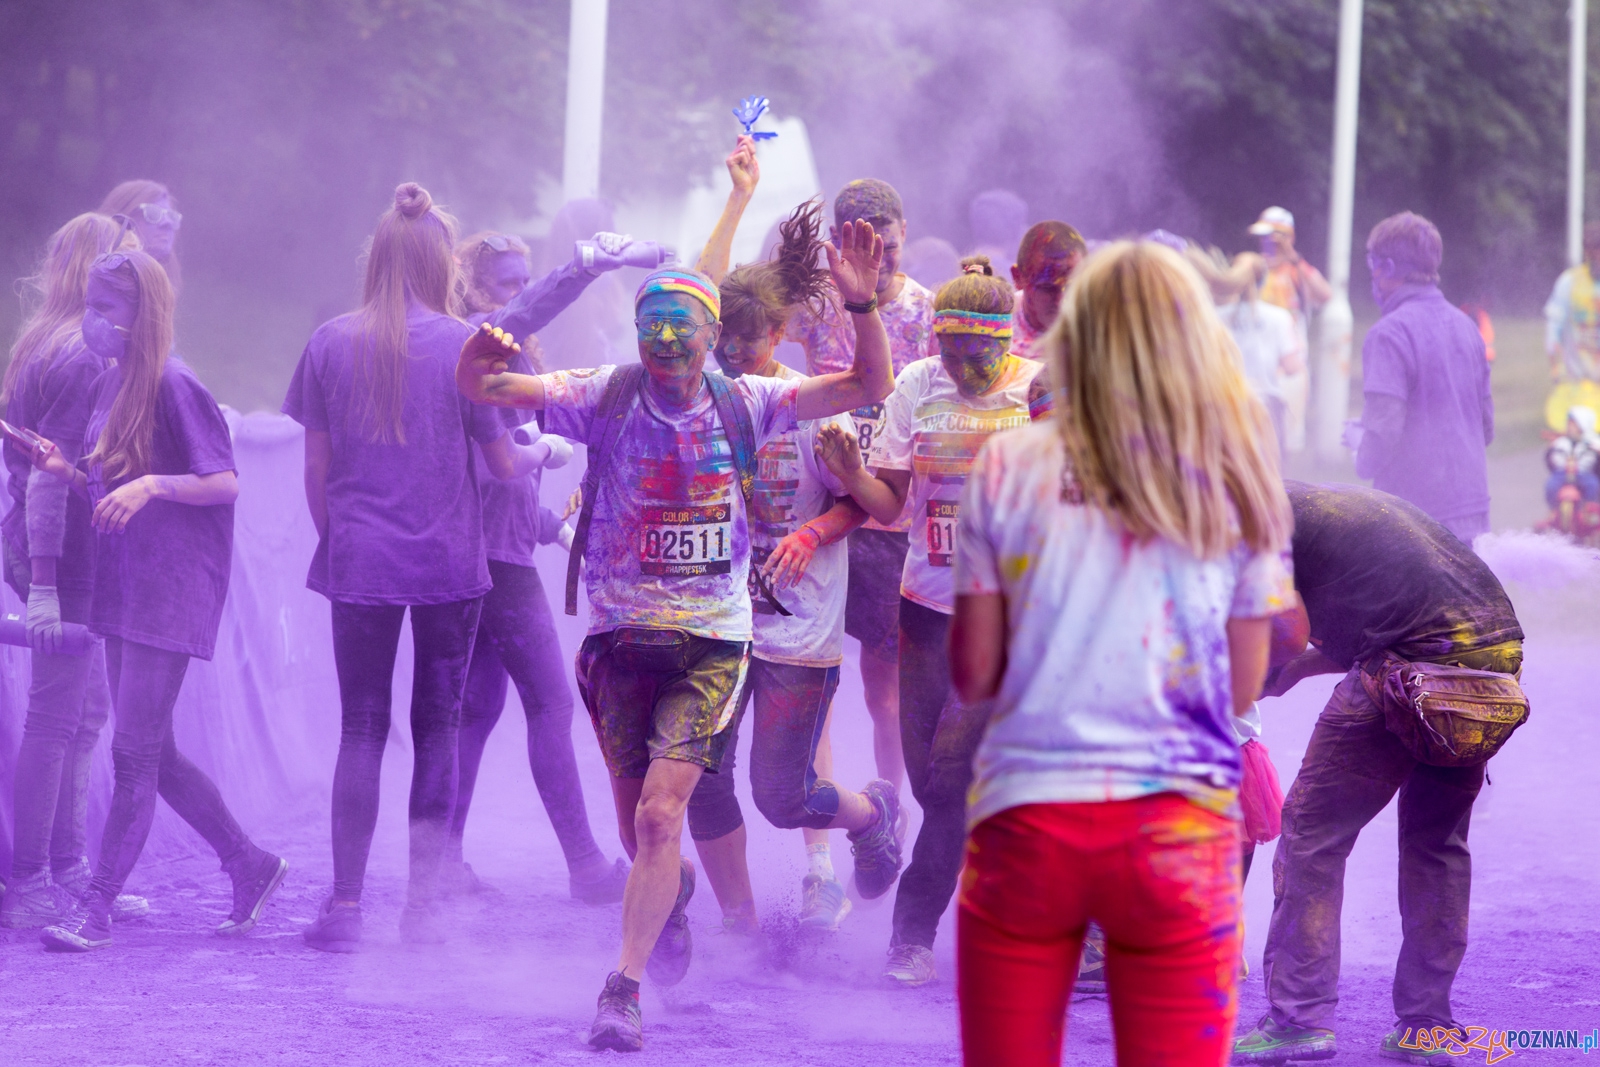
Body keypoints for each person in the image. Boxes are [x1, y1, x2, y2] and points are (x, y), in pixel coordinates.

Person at [454, 220, 895, 1052]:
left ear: (706, 343)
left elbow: (870, 381)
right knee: (641, 839)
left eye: (680, 334)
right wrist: (526, 317)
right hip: (619, 644)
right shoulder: (603, 393)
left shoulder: (749, 400)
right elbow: (484, 383)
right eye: (652, 332)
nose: (665, 348)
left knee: (661, 818)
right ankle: (675, 891)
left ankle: (620, 988)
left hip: (710, 647)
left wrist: (863, 299)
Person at [949, 239, 1294, 1067]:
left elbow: (973, 674)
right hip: (1180, 826)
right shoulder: (1236, 473)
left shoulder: (1006, 463)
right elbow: (1247, 682)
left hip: (1030, 817)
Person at [284, 183, 553, 952]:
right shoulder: (469, 345)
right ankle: (424, 909)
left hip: (359, 557)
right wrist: (542, 450)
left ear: (376, 259)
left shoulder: (330, 342)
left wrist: (340, 542)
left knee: (362, 726)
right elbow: (502, 466)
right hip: (447, 562)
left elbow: (315, 467)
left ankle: (342, 907)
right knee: (435, 727)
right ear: (443, 262)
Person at [22, 249, 286, 951]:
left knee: (134, 754)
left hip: (172, 590)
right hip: (127, 584)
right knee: (156, 752)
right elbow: (111, 491)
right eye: (91, 305)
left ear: (144, 314)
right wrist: (66, 471)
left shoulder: (175, 381)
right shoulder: (114, 381)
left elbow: (224, 481)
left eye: (109, 308)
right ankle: (249, 862)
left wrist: (153, 486)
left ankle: (97, 906)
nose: (94, 321)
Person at [681, 156, 901, 937]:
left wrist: (812, 528)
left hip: (799, 628)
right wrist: (737, 198)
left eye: (749, 341)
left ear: (780, 333)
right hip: (715, 616)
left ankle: (873, 816)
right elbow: (700, 290)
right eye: (724, 345)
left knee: (782, 793)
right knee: (702, 777)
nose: (735, 355)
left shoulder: (805, 403)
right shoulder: (709, 392)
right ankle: (739, 923)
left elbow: (857, 502)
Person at [1233, 481, 1524, 1065]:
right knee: (1436, 842)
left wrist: (1258, 667)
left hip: (1409, 670)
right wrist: (1293, 673)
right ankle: (1427, 1024)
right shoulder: (1323, 506)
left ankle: (1298, 1018)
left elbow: (1285, 632)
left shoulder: (1249, 519)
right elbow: (1396, 619)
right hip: (1494, 666)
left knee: (1313, 835)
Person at [817, 256, 1044, 987]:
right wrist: (853, 473)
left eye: (976, 351)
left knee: (950, 777)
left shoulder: (1037, 391)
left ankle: (912, 932)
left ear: (1003, 338)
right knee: (929, 781)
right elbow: (890, 509)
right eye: (949, 348)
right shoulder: (919, 385)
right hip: (924, 608)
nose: (961, 363)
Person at [446, 223, 667, 904]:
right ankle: (584, 864)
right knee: (548, 699)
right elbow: (489, 474)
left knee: (478, 708)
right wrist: (583, 268)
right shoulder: (479, 343)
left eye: (521, 280)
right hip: (494, 561)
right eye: (505, 283)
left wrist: (550, 524)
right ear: (474, 287)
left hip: (494, 548)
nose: (515, 296)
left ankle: (440, 861)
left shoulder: (491, 355)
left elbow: (495, 487)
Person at [1, 213, 150, 929]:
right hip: (59, 552)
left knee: (81, 712)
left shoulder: (41, 338)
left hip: (50, 549)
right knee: (60, 714)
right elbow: (49, 479)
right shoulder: (81, 355)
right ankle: (31, 877)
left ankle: (68, 868)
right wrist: (49, 584)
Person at [787, 178, 940, 803]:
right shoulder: (819, 307)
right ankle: (818, 820)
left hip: (892, 530)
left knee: (884, 695)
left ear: (904, 238)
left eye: (892, 250)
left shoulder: (929, 312)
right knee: (808, 682)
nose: (878, 265)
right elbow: (741, 319)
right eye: (863, 253)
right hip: (820, 521)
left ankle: (887, 809)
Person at [1348, 212, 1493, 544]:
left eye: (1373, 265)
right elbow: (1485, 428)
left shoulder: (1388, 334)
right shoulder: (1468, 328)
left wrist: (1360, 448)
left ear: (1386, 268)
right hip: (1472, 514)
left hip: (1412, 520)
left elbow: (1383, 434)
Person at [1248, 207, 1330, 453]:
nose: (1268, 243)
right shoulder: (1254, 269)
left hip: (1290, 367)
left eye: (1274, 236)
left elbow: (1325, 294)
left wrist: (1292, 256)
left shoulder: (1297, 270)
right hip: (1258, 366)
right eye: (1264, 237)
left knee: (1285, 440)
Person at [1007, 221, 1086, 361]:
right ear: (1018, 277)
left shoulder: (1097, 326)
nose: (1061, 300)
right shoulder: (996, 328)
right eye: (1047, 288)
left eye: (1071, 287)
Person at [98, 181, 183, 293]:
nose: (167, 222)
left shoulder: (162, 294)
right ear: (121, 219)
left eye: (171, 216)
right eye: (153, 213)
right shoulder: (95, 291)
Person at [1543, 221, 1600, 383]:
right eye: (1595, 251)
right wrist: (1556, 368)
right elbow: (1554, 328)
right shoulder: (1569, 282)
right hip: (1577, 384)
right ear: (1587, 252)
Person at [1544, 405, 1600, 509]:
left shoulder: (1593, 441)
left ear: (1583, 425)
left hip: (1584, 472)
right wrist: (1550, 448)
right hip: (1563, 472)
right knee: (1551, 485)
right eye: (1568, 424)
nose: (1569, 427)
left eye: (1573, 424)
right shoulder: (1562, 441)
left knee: (1593, 485)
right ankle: (1554, 509)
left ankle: (1590, 508)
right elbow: (1551, 459)